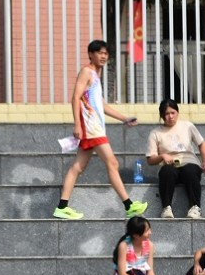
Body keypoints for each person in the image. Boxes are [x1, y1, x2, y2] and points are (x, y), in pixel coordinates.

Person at [54, 40, 145, 221]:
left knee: (78, 167)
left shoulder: (96, 74)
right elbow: (75, 97)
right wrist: (77, 125)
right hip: (91, 128)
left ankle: (62, 207)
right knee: (112, 163)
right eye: (99, 53)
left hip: (94, 127)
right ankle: (129, 205)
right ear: (90, 54)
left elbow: (101, 104)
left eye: (105, 53)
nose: (103, 56)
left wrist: (124, 118)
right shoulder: (87, 72)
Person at [146, 99, 205, 220]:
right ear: (162, 116)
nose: (170, 116)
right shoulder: (155, 133)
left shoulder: (188, 126)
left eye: (172, 113)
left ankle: (195, 207)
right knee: (167, 172)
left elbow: (201, 144)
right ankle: (166, 208)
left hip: (189, 161)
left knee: (190, 171)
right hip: (169, 165)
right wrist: (162, 156)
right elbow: (150, 159)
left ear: (177, 112)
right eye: (166, 114)